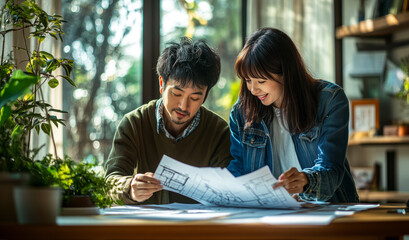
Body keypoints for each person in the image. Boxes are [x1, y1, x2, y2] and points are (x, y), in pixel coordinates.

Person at [227, 27, 359, 203]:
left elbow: (331, 170)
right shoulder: (242, 113)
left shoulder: (330, 101)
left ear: (286, 74)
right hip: (268, 216)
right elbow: (238, 170)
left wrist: (306, 181)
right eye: (248, 80)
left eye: (261, 81)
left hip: (327, 211)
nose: (252, 89)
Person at [104, 37, 232, 205]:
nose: (183, 105)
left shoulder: (218, 131)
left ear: (205, 96)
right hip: (146, 226)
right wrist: (130, 188)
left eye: (195, 97)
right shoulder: (135, 123)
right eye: (176, 94)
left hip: (198, 228)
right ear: (161, 84)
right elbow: (109, 183)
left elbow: (227, 190)